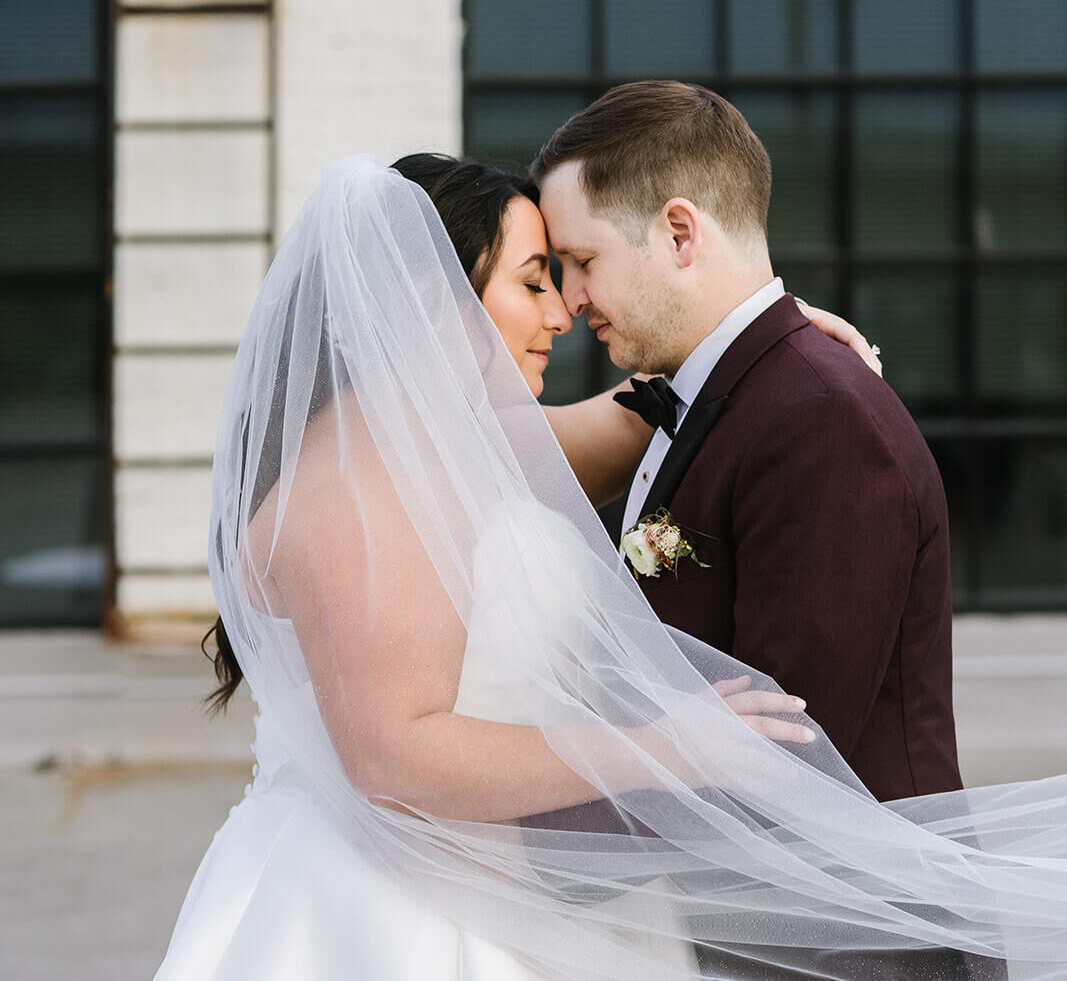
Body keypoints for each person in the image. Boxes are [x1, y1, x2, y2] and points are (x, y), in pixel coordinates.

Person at [156, 156, 1067, 981]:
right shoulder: (359, 485)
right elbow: (395, 755)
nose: (561, 311)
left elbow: (661, 406)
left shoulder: (459, 442)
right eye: (533, 280)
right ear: (431, 299)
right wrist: (662, 748)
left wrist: (780, 336)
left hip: (505, 885)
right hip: (391, 911)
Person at [534, 81, 960, 806]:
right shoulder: (733, 392)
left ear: (679, 234)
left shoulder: (820, 420)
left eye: (582, 260)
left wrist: (529, 862)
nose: (570, 299)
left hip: (841, 914)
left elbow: (786, 756)